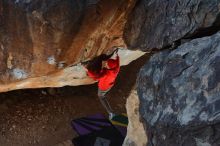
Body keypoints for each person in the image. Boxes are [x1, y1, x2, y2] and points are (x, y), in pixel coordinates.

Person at [83, 49, 120, 119]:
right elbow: (117, 61)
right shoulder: (116, 67)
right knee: (104, 94)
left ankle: (111, 112)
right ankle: (110, 111)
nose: (105, 64)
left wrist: (87, 70)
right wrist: (116, 54)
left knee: (101, 96)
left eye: (107, 64)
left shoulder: (106, 73)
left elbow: (96, 77)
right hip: (110, 84)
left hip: (103, 87)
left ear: (109, 67)